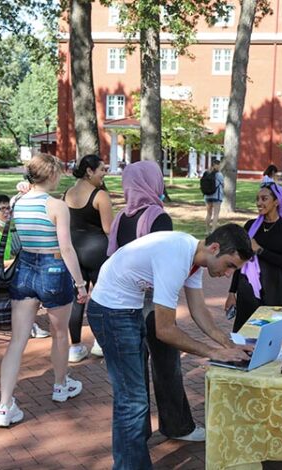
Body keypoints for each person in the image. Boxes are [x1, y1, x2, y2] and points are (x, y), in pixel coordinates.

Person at [88, 224, 254, 469]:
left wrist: (229, 345)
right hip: (111, 312)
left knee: (132, 400)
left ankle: (130, 459)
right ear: (215, 247)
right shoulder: (176, 258)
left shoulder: (195, 257)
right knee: (132, 401)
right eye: (230, 265)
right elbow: (164, 330)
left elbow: (199, 311)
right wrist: (215, 352)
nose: (229, 274)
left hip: (126, 308)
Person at [106, 160, 205, 443]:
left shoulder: (121, 217)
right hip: (151, 298)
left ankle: (139, 431)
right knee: (166, 364)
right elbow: (164, 260)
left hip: (124, 298)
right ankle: (177, 426)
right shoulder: (157, 216)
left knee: (136, 369)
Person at [0, 153, 88, 427]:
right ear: (52, 175)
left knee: (17, 341)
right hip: (54, 267)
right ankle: (60, 385)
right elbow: (67, 248)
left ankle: (4, 405)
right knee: (59, 334)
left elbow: (19, 196)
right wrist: (80, 284)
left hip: (24, 269)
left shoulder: (16, 201)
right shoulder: (57, 206)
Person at [226, 182, 282, 332]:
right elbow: (240, 261)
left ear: (276, 201)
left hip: (273, 288)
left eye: (264, 199)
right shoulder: (250, 226)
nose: (259, 203)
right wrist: (232, 293)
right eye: (257, 199)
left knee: (268, 334)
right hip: (247, 289)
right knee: (243, 333)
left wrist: (259, 250)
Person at [63, 155, 113, 362]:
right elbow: (109, 228)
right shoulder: (100, 195)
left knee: (76, 300)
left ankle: (74, 347)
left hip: (74, 252)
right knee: (101, 298)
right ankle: (100, 343)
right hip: (97, 251)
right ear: (90, 171)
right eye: (102, 169)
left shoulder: (67, 194)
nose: (104, 173)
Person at [0, 195, 50, 339]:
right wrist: (15, 262)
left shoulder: (6, 230)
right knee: (30, 284)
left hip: (4, 275)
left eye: (8, 208)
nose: (6, 212)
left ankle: (26, 321)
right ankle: (27, 325)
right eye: (1, 209)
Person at [204, 159, 224, 234]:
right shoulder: (219, 174)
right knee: (216, 214)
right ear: (218, 165)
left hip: (207, 196)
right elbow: (223, 185)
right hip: (216, 196)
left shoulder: (206, 173)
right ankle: (213, 231)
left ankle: (207, 230)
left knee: (208, 213)